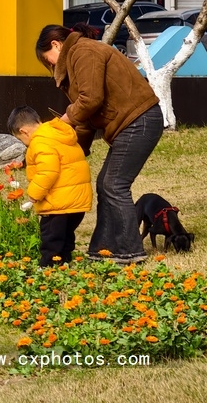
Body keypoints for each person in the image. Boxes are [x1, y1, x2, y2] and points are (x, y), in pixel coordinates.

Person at [35, 23, 163, 264]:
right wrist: (74, 151)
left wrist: (63, 120)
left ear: (55, 44)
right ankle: (104, 250)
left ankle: (128, 251)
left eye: (47, 60)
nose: (50, 66)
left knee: (115, 185)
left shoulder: (83, 52)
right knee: (106, 184)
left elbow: (90, 100)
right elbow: (86, 119)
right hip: (133, 123)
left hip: (139, 120)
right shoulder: (77, 58)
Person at [7, 105, 92, 267]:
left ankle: (47, 268)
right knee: (66, 236)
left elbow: (48, 172)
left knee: (51, 239)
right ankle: (64, 263)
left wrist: (34, 194)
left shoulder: (40, 141)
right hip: (75, 201)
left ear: (24, 131)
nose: (24, 143)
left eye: (20, 139)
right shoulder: (57, 134)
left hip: (57, 203)